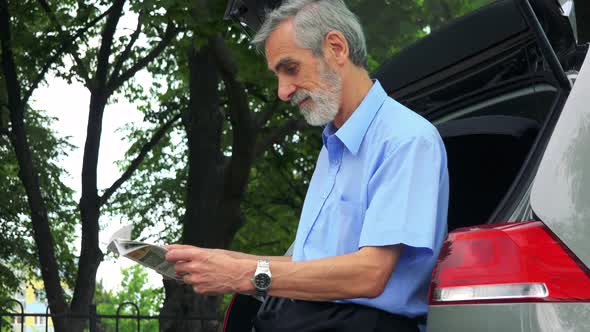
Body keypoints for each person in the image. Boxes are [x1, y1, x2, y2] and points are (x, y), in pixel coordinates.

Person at [165, 0, 448, 331]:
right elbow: (307, 264)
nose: (282, 92)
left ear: (336, 48)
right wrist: (213, 262)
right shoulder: (332, 148)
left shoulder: (407, 138)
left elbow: (370, 273)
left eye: (290, 68)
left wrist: (243, 273)